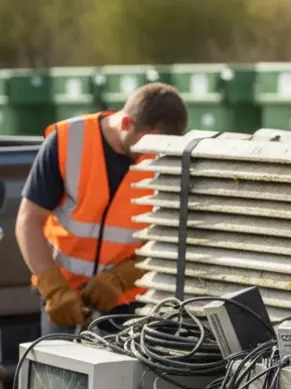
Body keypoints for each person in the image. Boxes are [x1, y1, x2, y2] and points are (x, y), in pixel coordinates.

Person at [15, 82, 188, 336]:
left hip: (128, 305)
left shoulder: (165, 156)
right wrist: (53, 288)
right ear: (126, 122)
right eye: (146, 143)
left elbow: (172, 238)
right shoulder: (67, 141)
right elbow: (28, 222)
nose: (150, 153)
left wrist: (123, 277)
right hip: (62, 299)